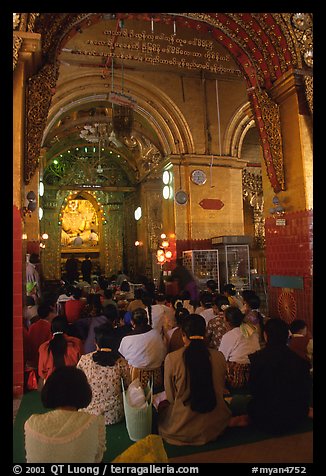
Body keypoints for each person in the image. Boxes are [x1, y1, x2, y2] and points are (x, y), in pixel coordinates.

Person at [158, 314, 231, 446]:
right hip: (215, 424)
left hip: (181, 427)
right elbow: (220, 387)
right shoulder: (219, 356)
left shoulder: (172, 358)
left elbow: (171, 397)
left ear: (183, 334)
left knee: (161, 408)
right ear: (204, 333)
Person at [24, 366, 106, 463]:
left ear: (49, 390)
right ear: (84, 391)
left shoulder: (30, 424)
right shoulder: (95, 422)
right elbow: (97, 458)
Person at [246, 318, 312, 434]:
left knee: (251, 405)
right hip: (294, 416)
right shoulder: (300, 361)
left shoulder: (257, 358)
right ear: (287, 336)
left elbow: (253, 389)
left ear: (265, 336)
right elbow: (305, 392)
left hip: (264, 417)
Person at [77, 323, 131, 425]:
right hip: (114, 416)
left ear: (95, 343)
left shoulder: (84, 360)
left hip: (89, 413)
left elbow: (78, 383)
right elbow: (127, 385)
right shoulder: (121, 362)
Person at [118, 308, 167, 391]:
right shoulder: (156, 334)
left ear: (132, 322)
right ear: (147, 320)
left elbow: (123, 357)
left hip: (136, 381)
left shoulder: (127, 339)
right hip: (157, 378)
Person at [219, 306, 260, 390]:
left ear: (227, 321)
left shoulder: (229, 335)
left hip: (237, 377)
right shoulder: (251, 331)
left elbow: (221, 359)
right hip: (255, 373)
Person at [38, 316, 83, 383]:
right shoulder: (76, 343)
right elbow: (82, 366)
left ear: (51, 329)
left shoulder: (44, 347)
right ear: (67, 328)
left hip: (51, 384)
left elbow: (42, 372)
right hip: (73, 383)